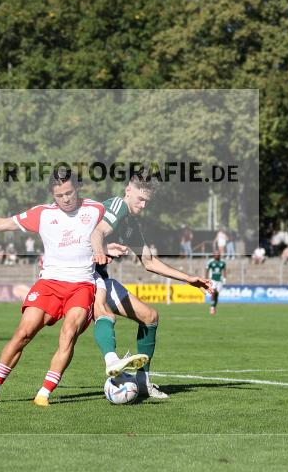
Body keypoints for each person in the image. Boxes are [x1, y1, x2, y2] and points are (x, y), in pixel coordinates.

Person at [0, 168, 112, 407]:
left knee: (69, 333)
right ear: (52, 194)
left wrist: (112, 247)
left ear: (78, 187)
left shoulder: (96, 209)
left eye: (69, 192)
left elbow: (112, 229)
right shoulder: (41, 214)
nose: (65, 198)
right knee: (23, 333)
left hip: (82, 284)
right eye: (59, 195)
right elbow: (2, 224)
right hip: (49, 282)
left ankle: (44, 393)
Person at [89, 171, 214, 399]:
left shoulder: (131, 224)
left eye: (147, 201)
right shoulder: (118, 205)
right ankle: (111, 360)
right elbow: (97, 233)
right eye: (140, 198)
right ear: (128, 190)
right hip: (81, 275)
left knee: (150, 317)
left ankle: (143, 382)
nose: (144, 205)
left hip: (100, 275)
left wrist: (189, 279)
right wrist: (101, 251)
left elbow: (148, 261)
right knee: (101, 313)